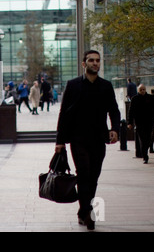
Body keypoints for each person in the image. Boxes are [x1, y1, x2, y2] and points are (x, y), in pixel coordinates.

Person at [55, 50, 120, 231]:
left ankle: (84, 209)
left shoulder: (106, 86)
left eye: (97, 61)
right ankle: (86, 212)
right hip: (78, 139)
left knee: (94, 177)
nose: (95, 63)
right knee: (83, 174)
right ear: (84, 64)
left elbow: (114, 110)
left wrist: (115, 128)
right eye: (91, 60)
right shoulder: (73, 85)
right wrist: (59, 141)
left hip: (99, 139)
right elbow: (64, 114)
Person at [127, 84, 154, 163]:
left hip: (149, 122)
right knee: (142, 139)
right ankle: (145, 156)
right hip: (139, 123)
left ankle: (145, 151)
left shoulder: (150, 98)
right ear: (138, 90)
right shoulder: (135, 99)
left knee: (148, 139)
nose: (142, 91)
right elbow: (131, 112)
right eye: (141, 89)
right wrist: (130, 122)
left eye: (144, 89)